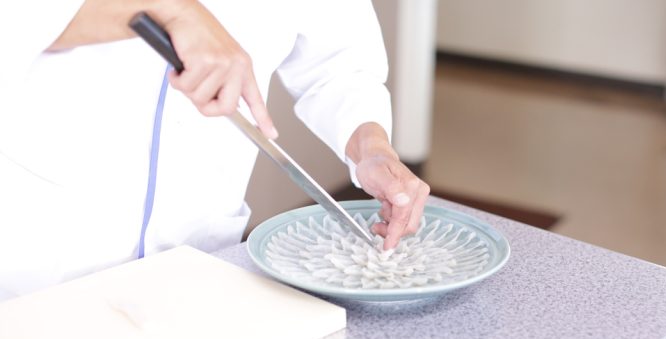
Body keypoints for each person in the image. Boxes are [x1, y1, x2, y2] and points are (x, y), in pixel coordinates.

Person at [0, 0, 430, 301]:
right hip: (41, 253)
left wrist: (371, 147)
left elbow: (338, 66)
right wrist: (174, 10)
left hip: (200, 248)